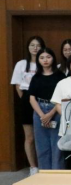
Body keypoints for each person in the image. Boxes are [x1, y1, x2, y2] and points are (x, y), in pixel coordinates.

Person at [12, 36, 45, 174]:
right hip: (26, 99)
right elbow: (18, 86)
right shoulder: (21, 64)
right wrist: (26, 100)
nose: (35, 48)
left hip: (43, 99)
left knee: (42, 136)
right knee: (30, 137)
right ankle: (33, 167)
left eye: (38, 45)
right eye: (32, 45)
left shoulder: (44, 61)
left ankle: (44, 165)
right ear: (28, 47)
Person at [28, 48, 64, 170]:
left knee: (57, 145)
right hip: (39, 110)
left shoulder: (60, 75)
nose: (45, 60)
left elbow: (63, 97)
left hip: (56, 109)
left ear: (53, 58)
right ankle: (44, 175)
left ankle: (57, 176)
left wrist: (51, 113)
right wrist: (42, 115)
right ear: (38, 60)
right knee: (42, 146)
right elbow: (32, 98)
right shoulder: (36, 77)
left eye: (48, 57)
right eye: (42, 58)